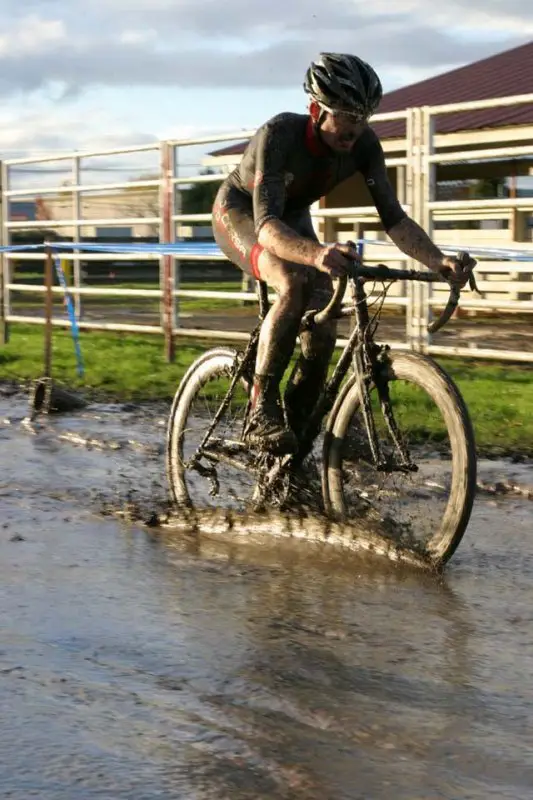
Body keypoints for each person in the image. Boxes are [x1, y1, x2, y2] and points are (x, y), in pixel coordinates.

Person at [212, 52, 475, 455]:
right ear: (316, 110)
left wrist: (437, 261)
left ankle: (295, 441)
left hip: (293, 215)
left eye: (363, 117)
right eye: (346, 116)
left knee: (323, 322)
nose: (355, 128)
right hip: (243, 213)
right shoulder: (280, 133)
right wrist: (317, 255)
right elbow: (266, 226)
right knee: (293, 282)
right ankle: (260, 410)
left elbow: (396, 220)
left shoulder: (365, 145)